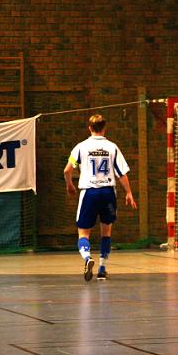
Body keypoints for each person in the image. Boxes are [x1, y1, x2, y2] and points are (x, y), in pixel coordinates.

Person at [64, 114, 136, 282]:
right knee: (106, 232)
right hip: (108, 193)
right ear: (105, 128)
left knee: (83, 232)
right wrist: (129, 193)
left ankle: (88, 257)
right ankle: (102, 269)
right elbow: (121, 173)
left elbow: (67, 170)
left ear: (89, 128)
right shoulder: (112, 147)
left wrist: (69, 184)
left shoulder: (81, 147)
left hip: (89, 193)